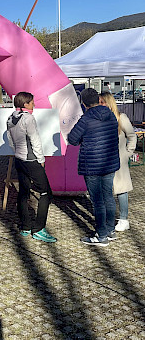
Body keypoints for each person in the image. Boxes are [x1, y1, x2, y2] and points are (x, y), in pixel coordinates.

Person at [68, 88, 120, 246]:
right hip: (109, 162)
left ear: (83, 103)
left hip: (92, 165)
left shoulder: (86, 119)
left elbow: (72, 139)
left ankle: (101, 236)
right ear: (98, 99)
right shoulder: (111, 114)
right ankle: (110, 230)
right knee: (108, 197)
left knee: (97, 201)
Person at [7, 91, 56, 242]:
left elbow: (10, 140)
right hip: (31, 160)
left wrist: (17, 153)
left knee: (23, 192)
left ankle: (25, 227)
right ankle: (39, 229)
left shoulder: (10, 117)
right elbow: (35, 140)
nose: (34, 104)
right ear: (25, 104)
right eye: (32, 102)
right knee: (46, 193)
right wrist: (41, 159)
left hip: (19, 159)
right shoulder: (28, 118)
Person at [100, 91, 136, 231]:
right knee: (106, 189)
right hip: (104, 160)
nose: (100, 105)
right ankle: (108, 217)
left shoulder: (121, 118)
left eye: (102, 102)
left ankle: (123, 219)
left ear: (109, 102)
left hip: (119, 159)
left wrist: (128, 153)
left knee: (121, 189)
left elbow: (132, 136)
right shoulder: (100, 119)